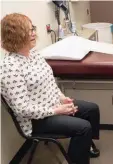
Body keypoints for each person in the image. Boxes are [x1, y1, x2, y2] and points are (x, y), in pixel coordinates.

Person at [1, 13, 100, 164]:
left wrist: (62, 99)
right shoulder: (9, 68)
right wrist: (58, 111)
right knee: (83, 127)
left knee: (91, 109)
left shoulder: (34, 55)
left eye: (32, 28)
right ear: (14, 36)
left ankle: (85, 145)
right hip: (36, 120)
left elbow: (50, 83)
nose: (33, 33)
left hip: (53, 105)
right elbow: (22, 109)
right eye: (27, 31)